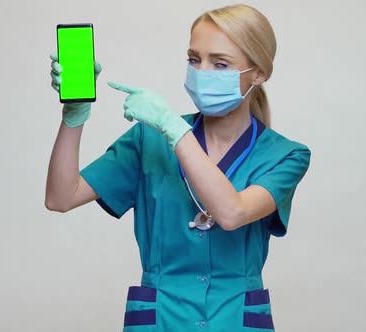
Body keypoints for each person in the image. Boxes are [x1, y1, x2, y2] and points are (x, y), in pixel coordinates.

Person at [46, 4, 311, 331]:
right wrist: (74, 117)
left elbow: (232, 213)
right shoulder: (148, 139)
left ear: (258, 73)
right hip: (160, 319)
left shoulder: (286, 155)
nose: (202, 71)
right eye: (194, 59)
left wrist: (173, 128)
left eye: (220, 63)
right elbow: (61, 197)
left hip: (235, 319)